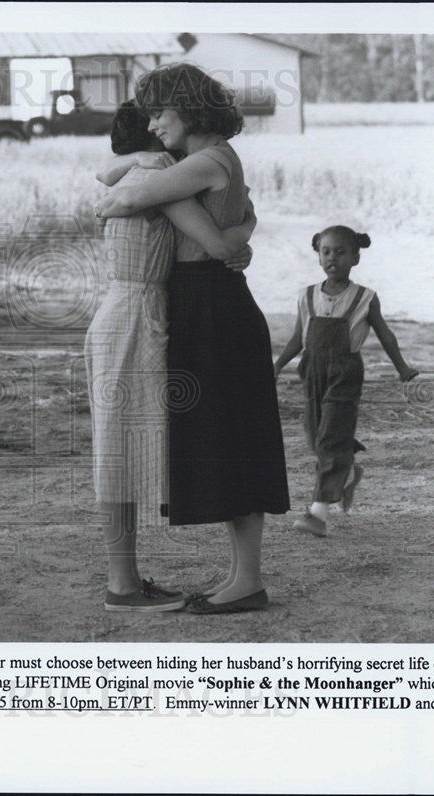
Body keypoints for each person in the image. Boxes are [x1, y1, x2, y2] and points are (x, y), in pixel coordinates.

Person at [95, 64, 290, 614]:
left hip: (213, 304)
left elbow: (120, 198)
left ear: (189, 108)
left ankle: (247, 580)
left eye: (160, 111)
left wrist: (132, 188)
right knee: (233, 437)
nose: (153, 124)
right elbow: (126, 187)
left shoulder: (204, 161)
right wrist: (241, 230)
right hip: (210, 300)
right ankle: (242, 576)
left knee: (234, 437)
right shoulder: (210, 160)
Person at [274, 225, 419, 537]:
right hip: (312, 370)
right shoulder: (307, 295)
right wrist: (276, 366)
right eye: (326, 252)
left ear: (355, 257)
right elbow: (298, 339)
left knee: (329, 440)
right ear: (318, 255)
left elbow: (386, 335)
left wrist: (402, 367)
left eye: (341, 252)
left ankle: (317, 513)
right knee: (317, 436)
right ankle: (349, 472)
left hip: (345, 372)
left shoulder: (365, 298)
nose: (332, 258)